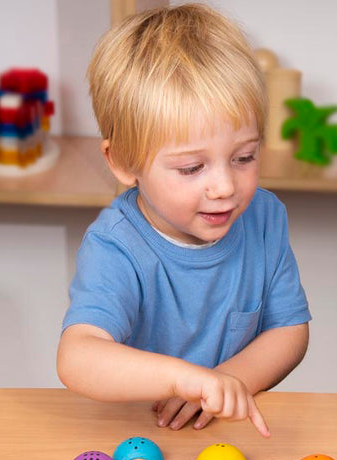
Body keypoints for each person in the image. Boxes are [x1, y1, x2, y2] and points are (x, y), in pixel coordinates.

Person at [58, 4, 311, 437]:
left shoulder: (265, 216)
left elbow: (289, 329)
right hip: (139, 435)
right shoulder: (115, 245)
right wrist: (183, 379)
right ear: (121, 161)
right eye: (192, 168)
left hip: (226, 434)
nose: (224, 187)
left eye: (244, 157)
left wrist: (228, 383)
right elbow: (77, 357)